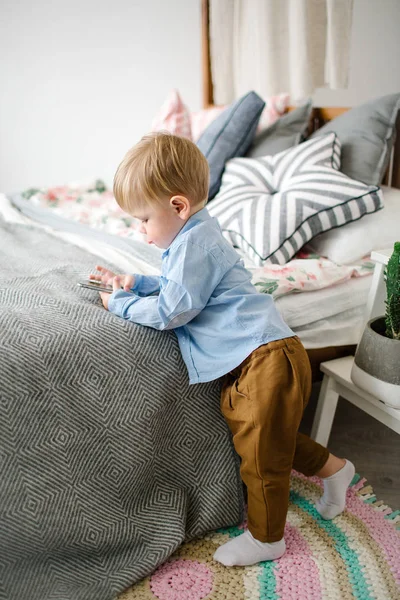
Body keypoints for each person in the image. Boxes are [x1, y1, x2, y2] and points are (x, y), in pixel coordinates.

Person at [90, 132, 355, 567]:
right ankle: (335, 469)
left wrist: (119, 303)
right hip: (256, 360)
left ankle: (268, 538)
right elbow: (178, 289)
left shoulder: (196, 241)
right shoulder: (188, 239)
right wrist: (136, 284)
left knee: (262, 459)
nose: (139, 230)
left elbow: (174, 310)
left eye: (143, 219)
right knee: (269, 440)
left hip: (265, 359)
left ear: (178, 206)